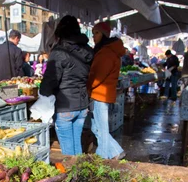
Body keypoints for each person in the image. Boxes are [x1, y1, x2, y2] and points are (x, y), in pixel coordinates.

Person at [40, 15, 93, 156]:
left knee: (69, 153)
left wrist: (43, 94)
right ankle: (80, 175)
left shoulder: (59, 52)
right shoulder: (87, 50)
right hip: (82, 105)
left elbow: (50, 80)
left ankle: (72, 177)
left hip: (65, 107)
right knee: (77, 148)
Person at [87, 22, 125, 160]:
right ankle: (116, 151)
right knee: (96, 128)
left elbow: (97, 76)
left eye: (96, 33)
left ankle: (102, 158)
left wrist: (88, 87)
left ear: (103, 34)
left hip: (100, 95)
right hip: (102, 94)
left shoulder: (106, 52)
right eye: (93, 34)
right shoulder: (108, 50)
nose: (94, 37)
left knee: (101, 129)